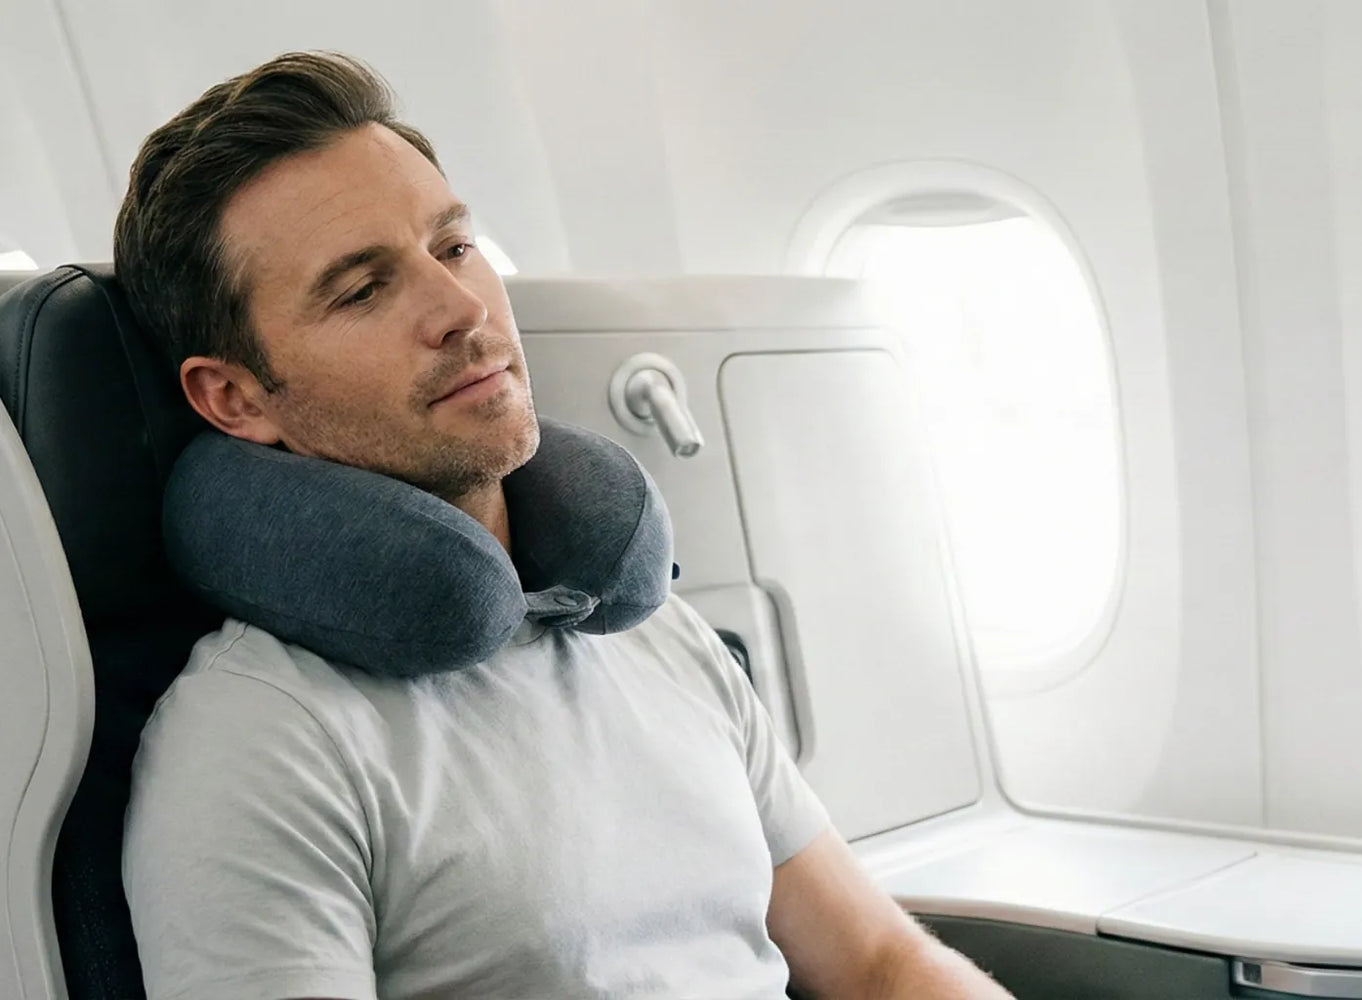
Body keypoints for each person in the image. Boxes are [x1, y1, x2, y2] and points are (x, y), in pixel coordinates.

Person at [115, 51, 1012, 1000]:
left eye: (454, 247)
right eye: (364, 289)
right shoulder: (259, 746)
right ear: (236, 399)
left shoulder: (652, 628)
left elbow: (880, 964)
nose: (463, 310)